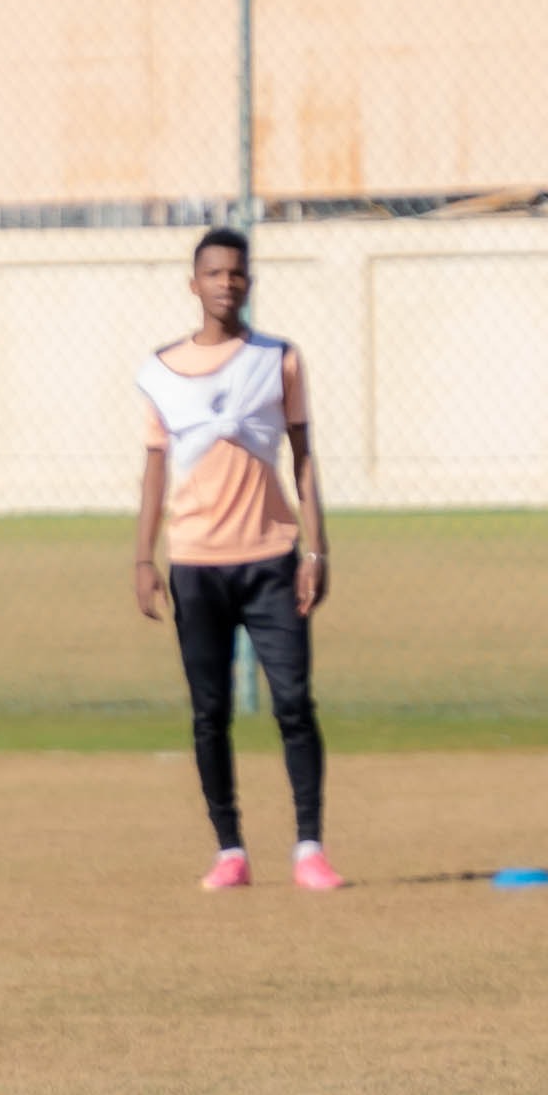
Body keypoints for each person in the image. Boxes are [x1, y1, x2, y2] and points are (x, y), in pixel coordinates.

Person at [129, 225, 338, 893]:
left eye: (237, 274)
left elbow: (303, 459)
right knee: (208, 711)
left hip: (271, 558)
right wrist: (142, 558)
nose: (227, 283)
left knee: (294, 704)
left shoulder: (279, 360)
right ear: (194, 284)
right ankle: (230, 850)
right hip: (195, 564)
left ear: (248, 281)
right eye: (214, 273)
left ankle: (309, 847)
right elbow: (155, 471)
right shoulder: (159, 372)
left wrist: (316, 546)